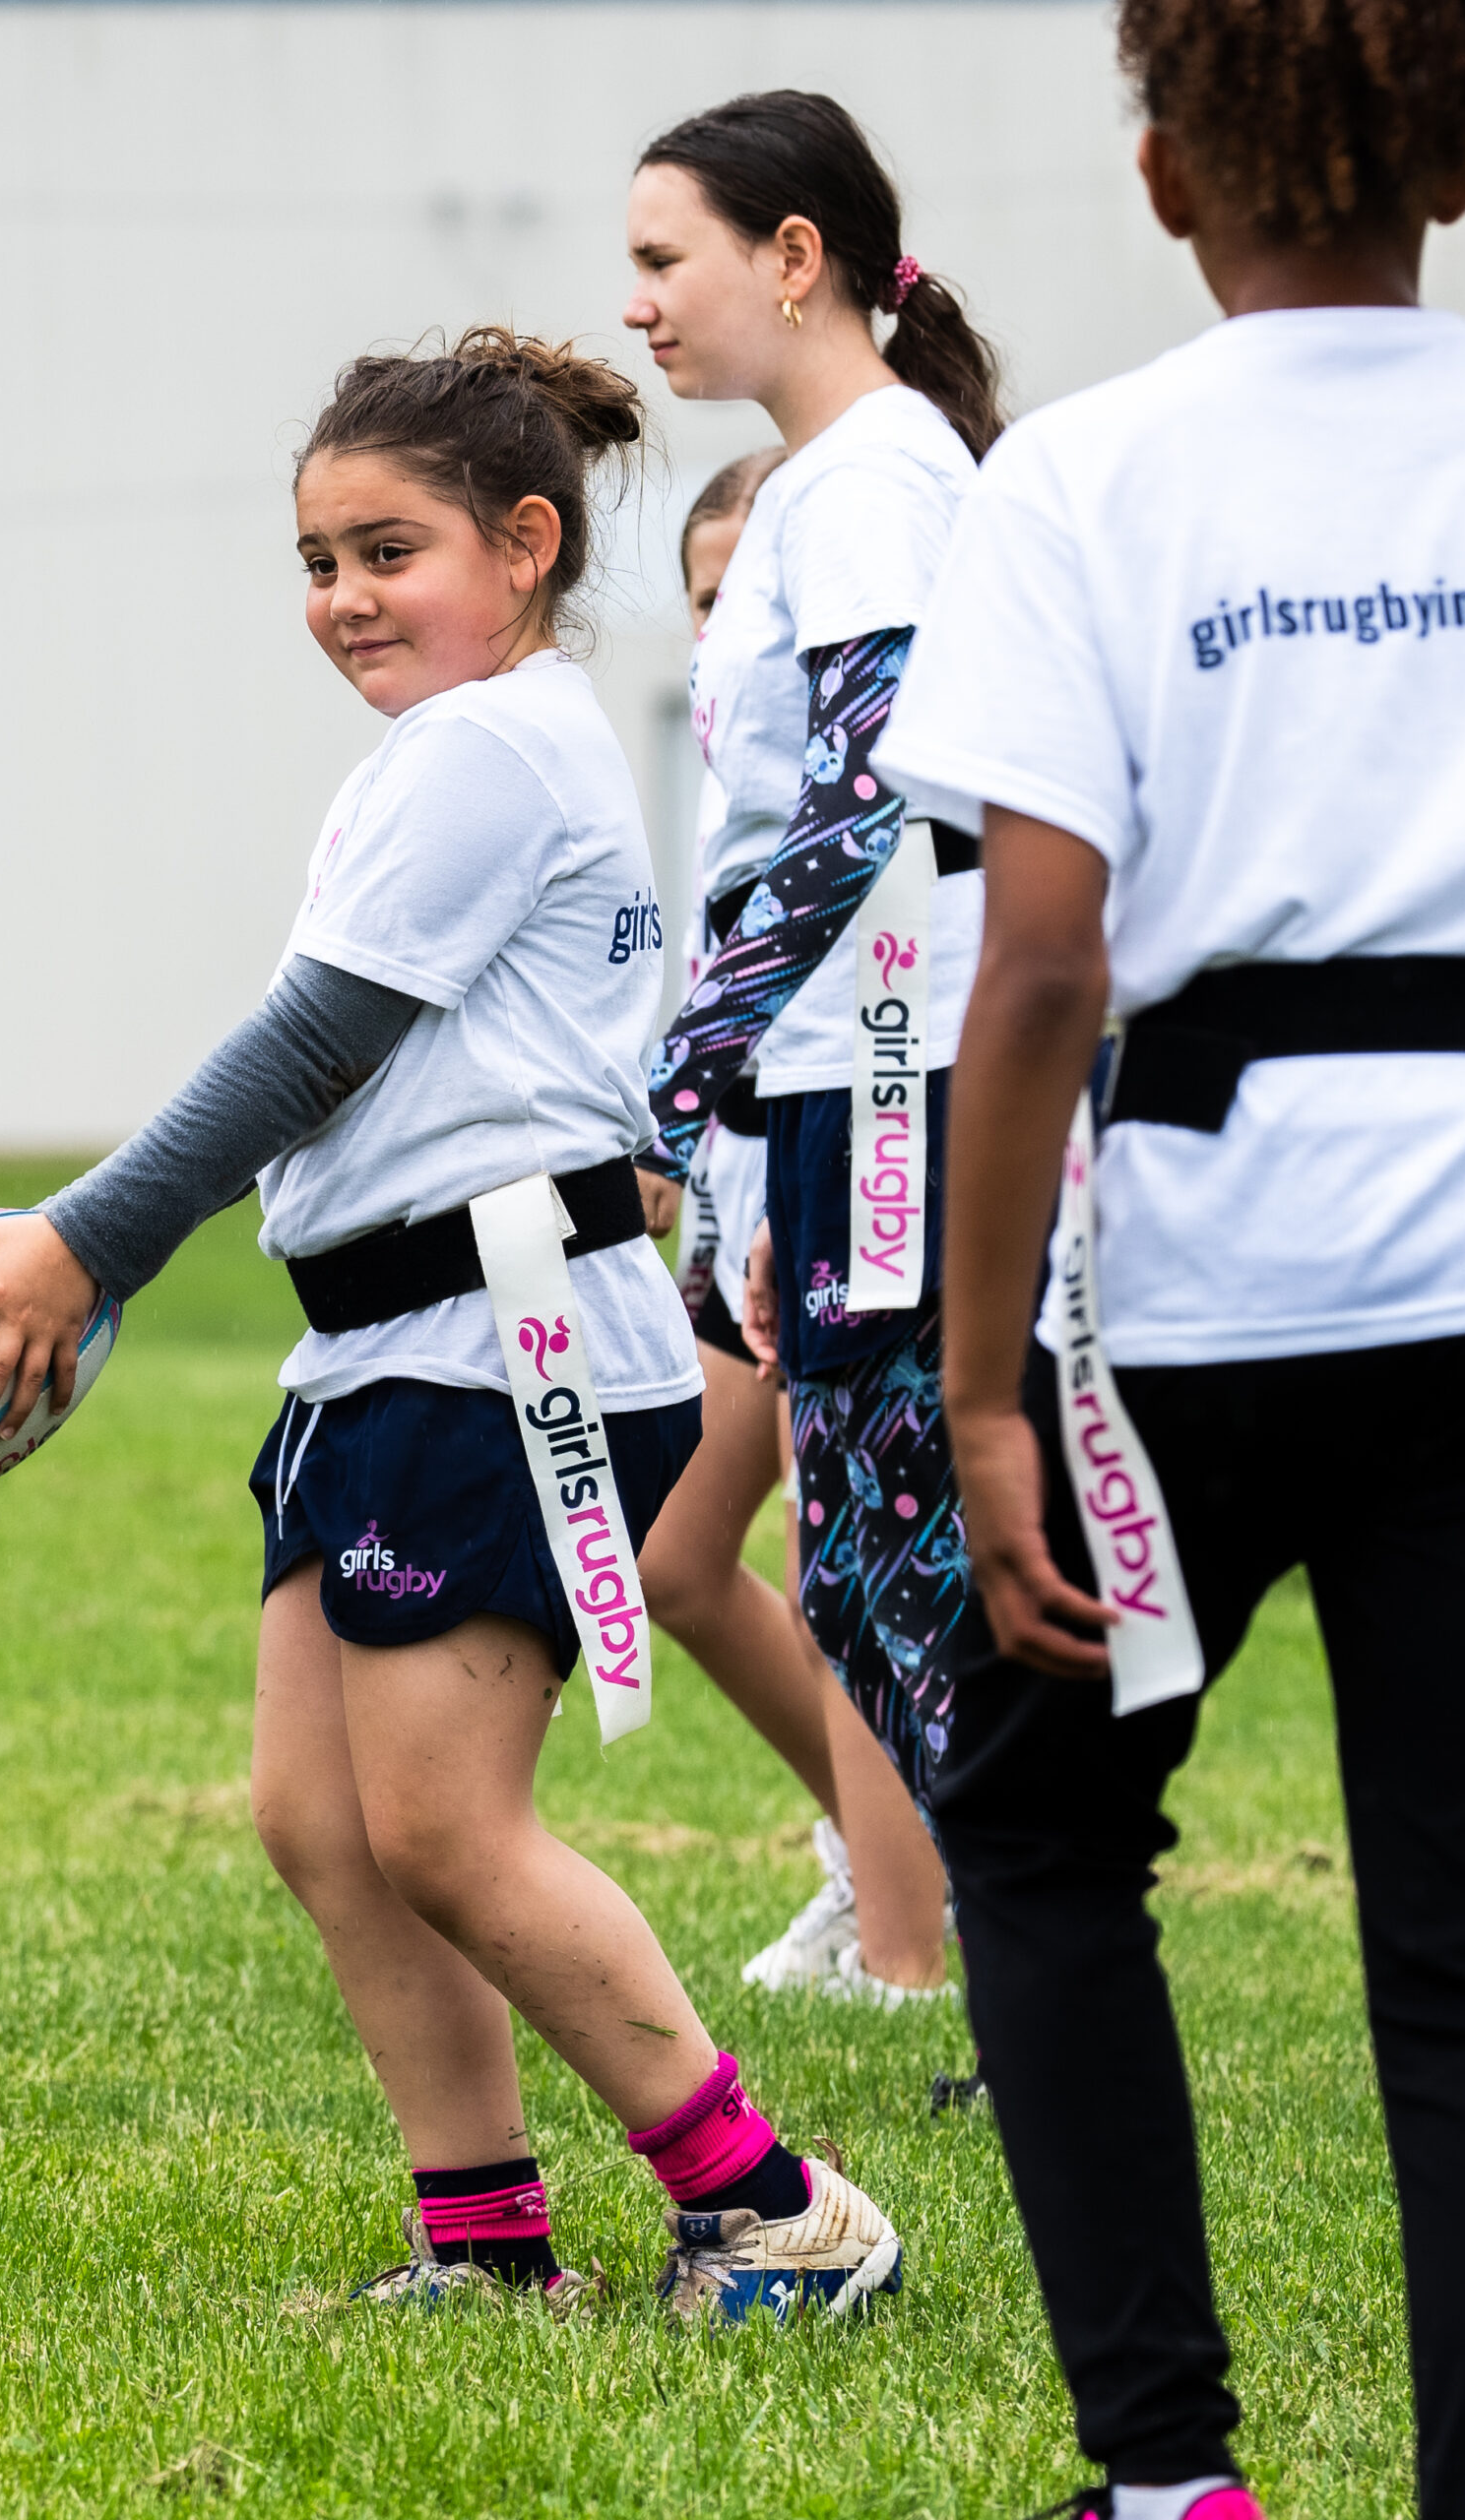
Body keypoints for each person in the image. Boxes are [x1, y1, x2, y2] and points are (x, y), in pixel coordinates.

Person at [0, 329, 904, 2323]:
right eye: (317, 558)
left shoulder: (486, 749)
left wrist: (83, 1241)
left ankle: (777, 2204)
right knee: (324, 1821)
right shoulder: (457, 747)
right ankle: (485, 2241)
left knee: (445, 1821)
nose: (344, 597)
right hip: (395, 1339)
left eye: (390, 549)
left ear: (521, 546)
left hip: (498, 1342)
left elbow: (313, 1039)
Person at [873, 0, 1465, 2509]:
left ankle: (1167, 2474)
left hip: (1204, 1291)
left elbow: (1040, 965)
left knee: (1040, 1834)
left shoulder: (1084, 478)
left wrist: (982, 1393)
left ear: (1167, 174)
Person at [624, 91, 1004, 2006]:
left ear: (792, 258)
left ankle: (970, 1961)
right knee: (856, 1560)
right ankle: (944, 1947)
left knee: (893, 1567)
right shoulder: (828, 478)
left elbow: (873, 810)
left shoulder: (861, 482)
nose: (637, 306)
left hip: (888, 1085)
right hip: (833, 1093)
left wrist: (670, 1078)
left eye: (660, 258)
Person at [635, 449, 959, 2006]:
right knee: (674, 1552)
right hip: (747, 1180)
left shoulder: (868, 736)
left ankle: (905, 1954)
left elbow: (852, 934)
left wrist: (683, 1095)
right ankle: (880, 1851)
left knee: (838, 1544)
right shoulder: (735, 762)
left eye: (737, 604)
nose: (719, 637)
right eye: (702, 606)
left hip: (856, 1127)